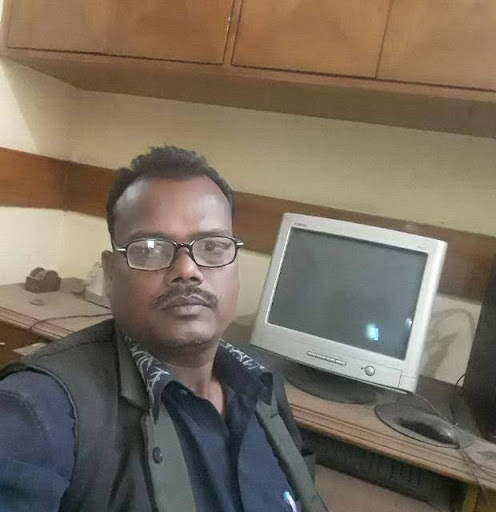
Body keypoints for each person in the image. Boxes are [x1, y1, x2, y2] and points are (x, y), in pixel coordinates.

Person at [0, 146, 327, 511]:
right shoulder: (37, 411)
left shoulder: (261, 385)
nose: (187, 269)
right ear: (110, 273)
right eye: (151, 247)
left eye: (213, 246)